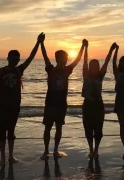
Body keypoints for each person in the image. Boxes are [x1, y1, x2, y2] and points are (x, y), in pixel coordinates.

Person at [0, 33, 43, 166]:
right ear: (8, 58)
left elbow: (31, 58)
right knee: (1, 131)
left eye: (17, 58)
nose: (15, 60)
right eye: (13, 58)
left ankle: (10, 156)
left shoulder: (19, 70)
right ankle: (2, 158)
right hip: (2, 106)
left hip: (15, 106)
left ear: (18, 60)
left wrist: (38, 43)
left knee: (11, 131)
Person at [39, 32, 87, 160]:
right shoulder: (51, 69)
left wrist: (82, 47)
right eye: (65, 58)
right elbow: (44, 56)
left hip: (61, 104)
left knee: (59, 127)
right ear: (59, 58)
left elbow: (77, 59)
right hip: (50, 103)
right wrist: (41, 43)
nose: (67, 60)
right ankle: (45, 151)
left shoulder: (67, 70)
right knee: (48, 128)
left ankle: (55, 150)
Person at [82, 41, 117, 158]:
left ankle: (96, 150)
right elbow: (85, 61)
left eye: (96, 66)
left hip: (98, 105)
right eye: (92, 66)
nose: (93, 67)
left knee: (98, 129)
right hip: (87, 105)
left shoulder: (100, 76)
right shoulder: (85, 74)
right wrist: (86, 48)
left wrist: (111, 50)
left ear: (98, 68)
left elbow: (106, 62)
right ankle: (91, 150)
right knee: (88, 128)